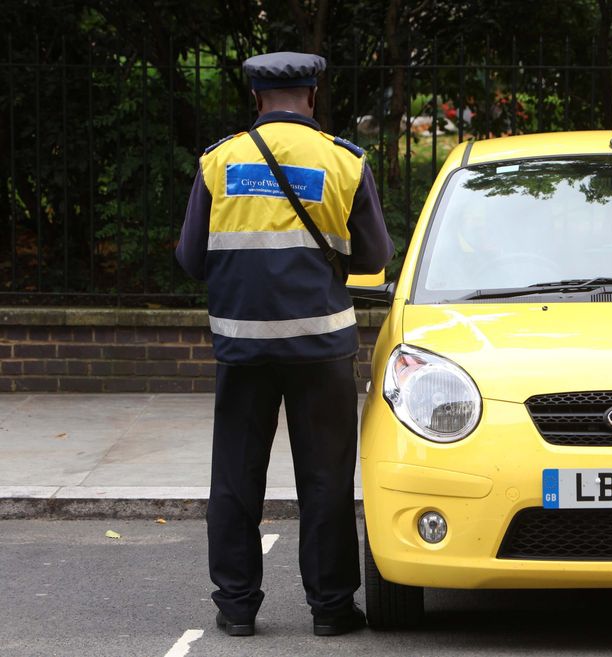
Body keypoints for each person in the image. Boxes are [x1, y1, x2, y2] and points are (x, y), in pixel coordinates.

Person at [175, 51, 393, 638]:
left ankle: (238, 608)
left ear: (256, 99)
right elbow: (374, 258)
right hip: (321, 350)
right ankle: (330, 609)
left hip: (242, 348)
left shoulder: (219, 162)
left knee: (235, 476)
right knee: (324, 477)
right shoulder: (344, 161)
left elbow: (190, 260)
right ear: (314, 95)